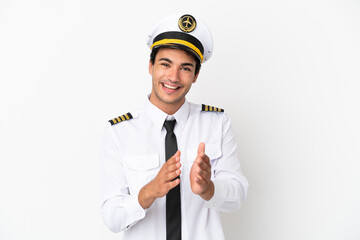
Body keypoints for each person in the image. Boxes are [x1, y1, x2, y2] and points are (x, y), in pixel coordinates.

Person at [100, 13, 248, 240]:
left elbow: (237, 195)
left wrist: (209, 189)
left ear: (196, 75)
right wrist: (148, 192)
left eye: (185, 68)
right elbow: (111, 218)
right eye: (165, 64)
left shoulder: (217, 123)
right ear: (151, 66)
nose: (173, 77)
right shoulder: (120, 132)